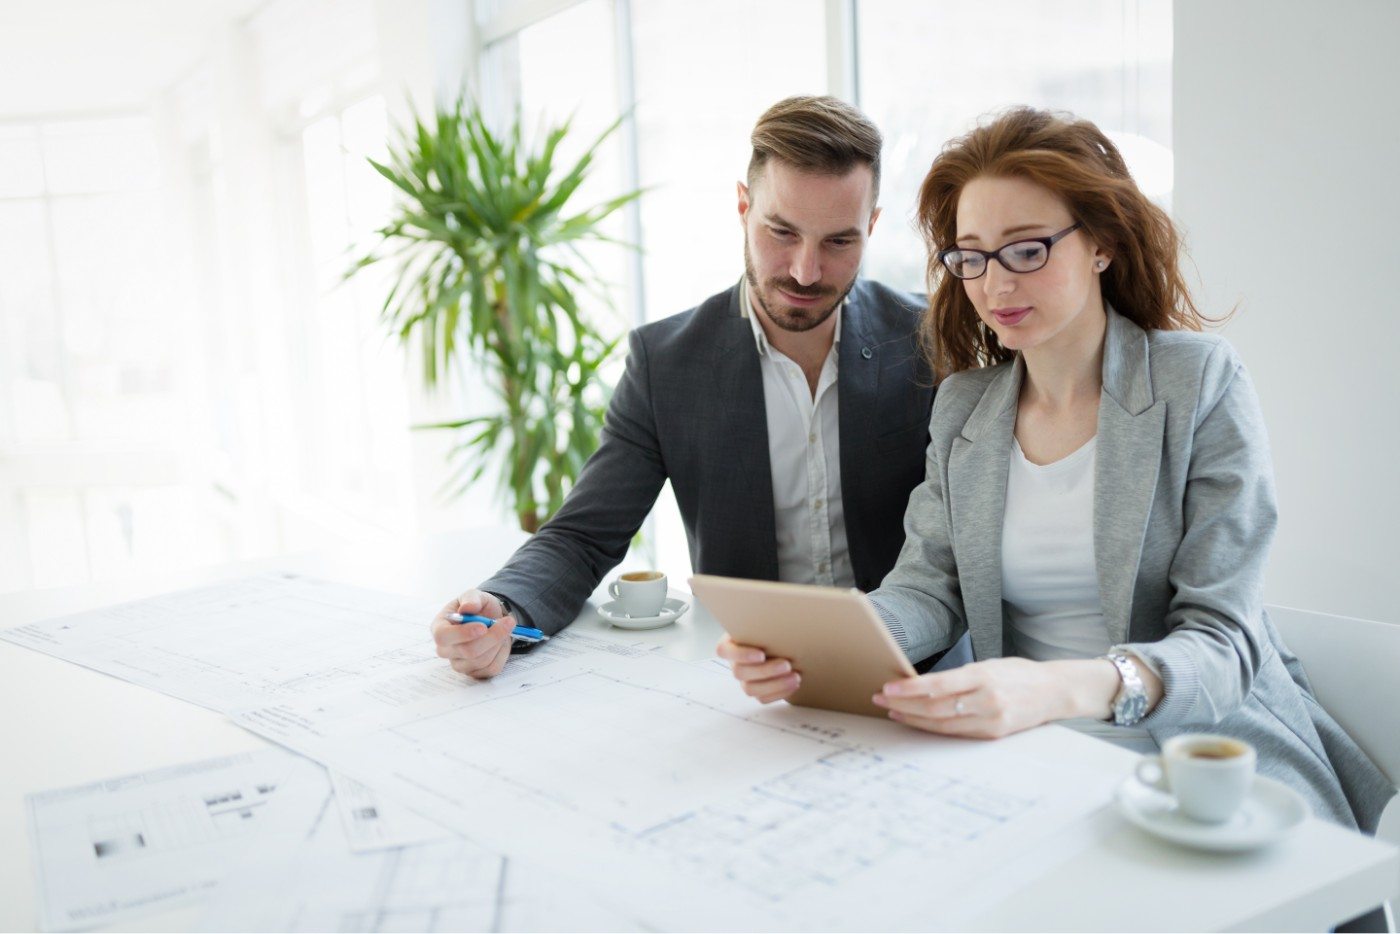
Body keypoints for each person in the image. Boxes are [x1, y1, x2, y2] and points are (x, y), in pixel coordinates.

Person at [719, 106, 1393, 838]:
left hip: (1204, 758)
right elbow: (928, 588)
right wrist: (819, 643)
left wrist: (1057, 688)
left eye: (1026, 250)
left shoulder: (1198, 383)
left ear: (1101, 242)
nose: (995, 285)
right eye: (972, 257)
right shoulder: (965, 408)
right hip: (1038, 762)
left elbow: (1224, 643)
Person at [432, 95, 944, 679]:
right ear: (743, 206)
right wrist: (502, 608)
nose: (806, 270)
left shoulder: (929, 339)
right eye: (781, 232)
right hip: (747, 683)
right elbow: (583, 536)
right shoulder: (666, 364)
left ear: (871, 227)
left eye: (839, 242)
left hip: (914, 672)